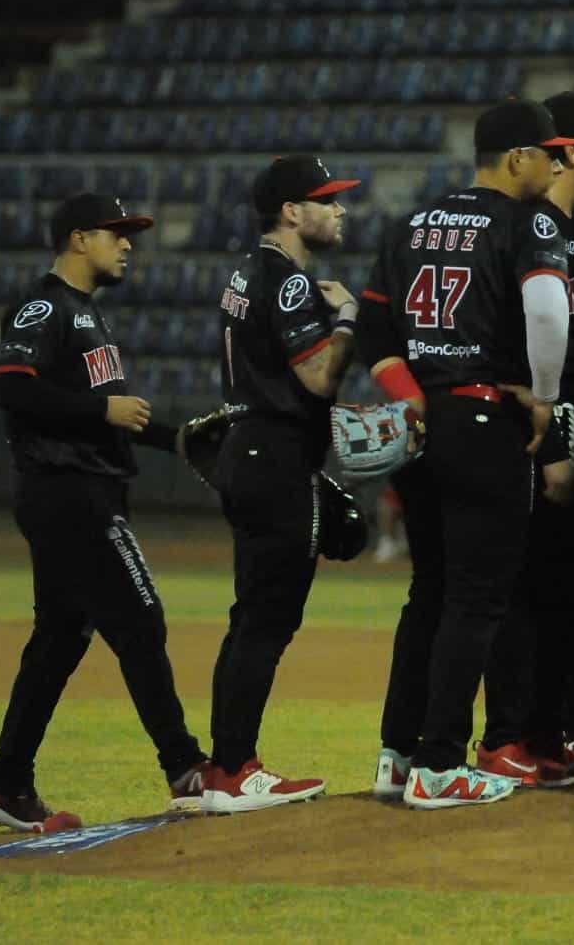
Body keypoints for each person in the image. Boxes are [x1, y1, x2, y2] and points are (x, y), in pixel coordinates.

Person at [357, 98, 573, 809]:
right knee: (477, 598)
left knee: (430, 592)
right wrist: (543, 395)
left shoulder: (413, 222)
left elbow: (374, 332)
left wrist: (411, 398)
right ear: (517, 159)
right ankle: (441, 764)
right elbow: (546, 309)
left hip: (423, 425)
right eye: (548, 152)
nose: (557, 163)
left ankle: (397, 753)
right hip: (487, 417)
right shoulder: (527, 219)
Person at [0, 193, 208, 831]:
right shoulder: (46, 306)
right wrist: (100, 411)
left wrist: (172, 437)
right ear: (79, 239)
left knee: (58, 638)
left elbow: (109, 415)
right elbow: (9, 385)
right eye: (115, 233)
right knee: (140, 619)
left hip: (74, 487)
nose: (127, 244)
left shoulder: (84, 313)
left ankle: (6, 784)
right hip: (70, 492)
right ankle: (186, 768)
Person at [477, 90, 574, 784]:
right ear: (571, 149)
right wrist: (553, 429)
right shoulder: (528, 227)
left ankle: (561, 728)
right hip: (544, 413)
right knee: (533, 583)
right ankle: (515, 731)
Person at [201, 155, 360, 813]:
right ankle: (234, 768)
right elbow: (319, 378)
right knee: (267, 620)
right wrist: (348, 316)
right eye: (327, 200)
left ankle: (226, 765)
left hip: (247, 447)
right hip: (275, 456)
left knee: (251, 618)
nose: (340, 210)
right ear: (292, 212)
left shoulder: (244, 271)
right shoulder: (291, 283)